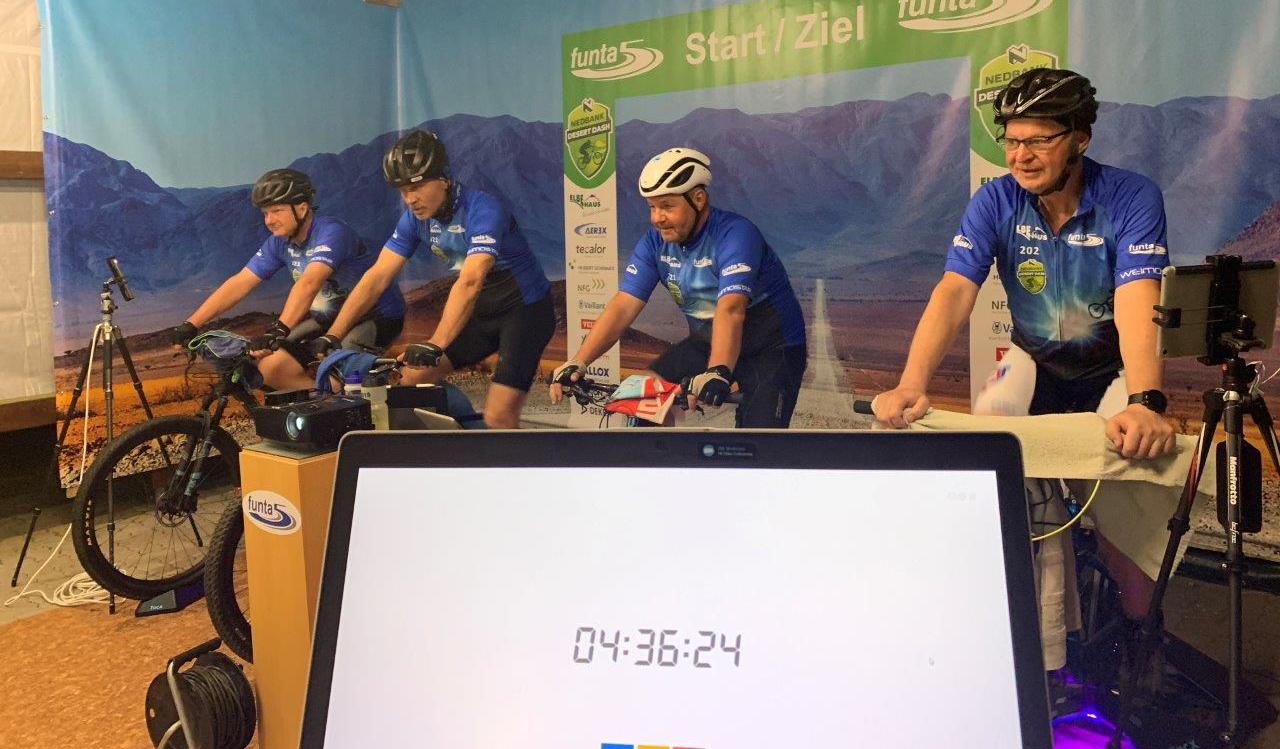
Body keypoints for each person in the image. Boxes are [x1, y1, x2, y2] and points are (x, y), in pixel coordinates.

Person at [871, 67, 1174, 619]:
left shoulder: (1131, 196)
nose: (1020, 156)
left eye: (1039, 141)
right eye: (1011, 140)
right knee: (997, 463)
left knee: (1126, 505)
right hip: (1034, 359)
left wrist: (1146, 400)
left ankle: (1141, 631)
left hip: (1111, 367)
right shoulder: (995, 201)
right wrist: (911, 384)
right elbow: (954, 290)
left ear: (1080, 139)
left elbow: (1138, 296)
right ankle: (1039, 631)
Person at [312, 130, 554, 430]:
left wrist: (436, 343)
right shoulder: (414, 220)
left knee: (499, 417)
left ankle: (511, 458)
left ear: (444, 178)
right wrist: (334, 334)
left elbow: (471, 280)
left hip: (525, 313)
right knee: (412, 379)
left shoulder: (484, 210)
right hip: (481, 314)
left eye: (416, 187)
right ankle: (462, 440)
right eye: (403, 191)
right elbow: (376, 277)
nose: (410, 199)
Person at [550, 147, 807, 427]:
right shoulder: (654, 242)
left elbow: (731, 308)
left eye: (667, 206)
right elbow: (623, 306)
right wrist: (579, 361)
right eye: (652, 207)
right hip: (708, 339)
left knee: (758, 440)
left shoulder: (736, 234)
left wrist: (717, 370)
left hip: (771, 346)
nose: (656, 218)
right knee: (644, 403)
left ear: (698, 199)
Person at [167, 168, 405, 391]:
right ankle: (321, 409)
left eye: (277, 211)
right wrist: (192, 324)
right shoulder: (279, 242)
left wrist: (279, 329)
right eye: (265, 213)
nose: (269, 220)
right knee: (272, 369)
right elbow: (241, 282)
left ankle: (345, 406)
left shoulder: (331, 231)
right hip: (328, 319)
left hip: (375, 316)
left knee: (337, 378)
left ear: (301, 208)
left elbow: (309, 283)